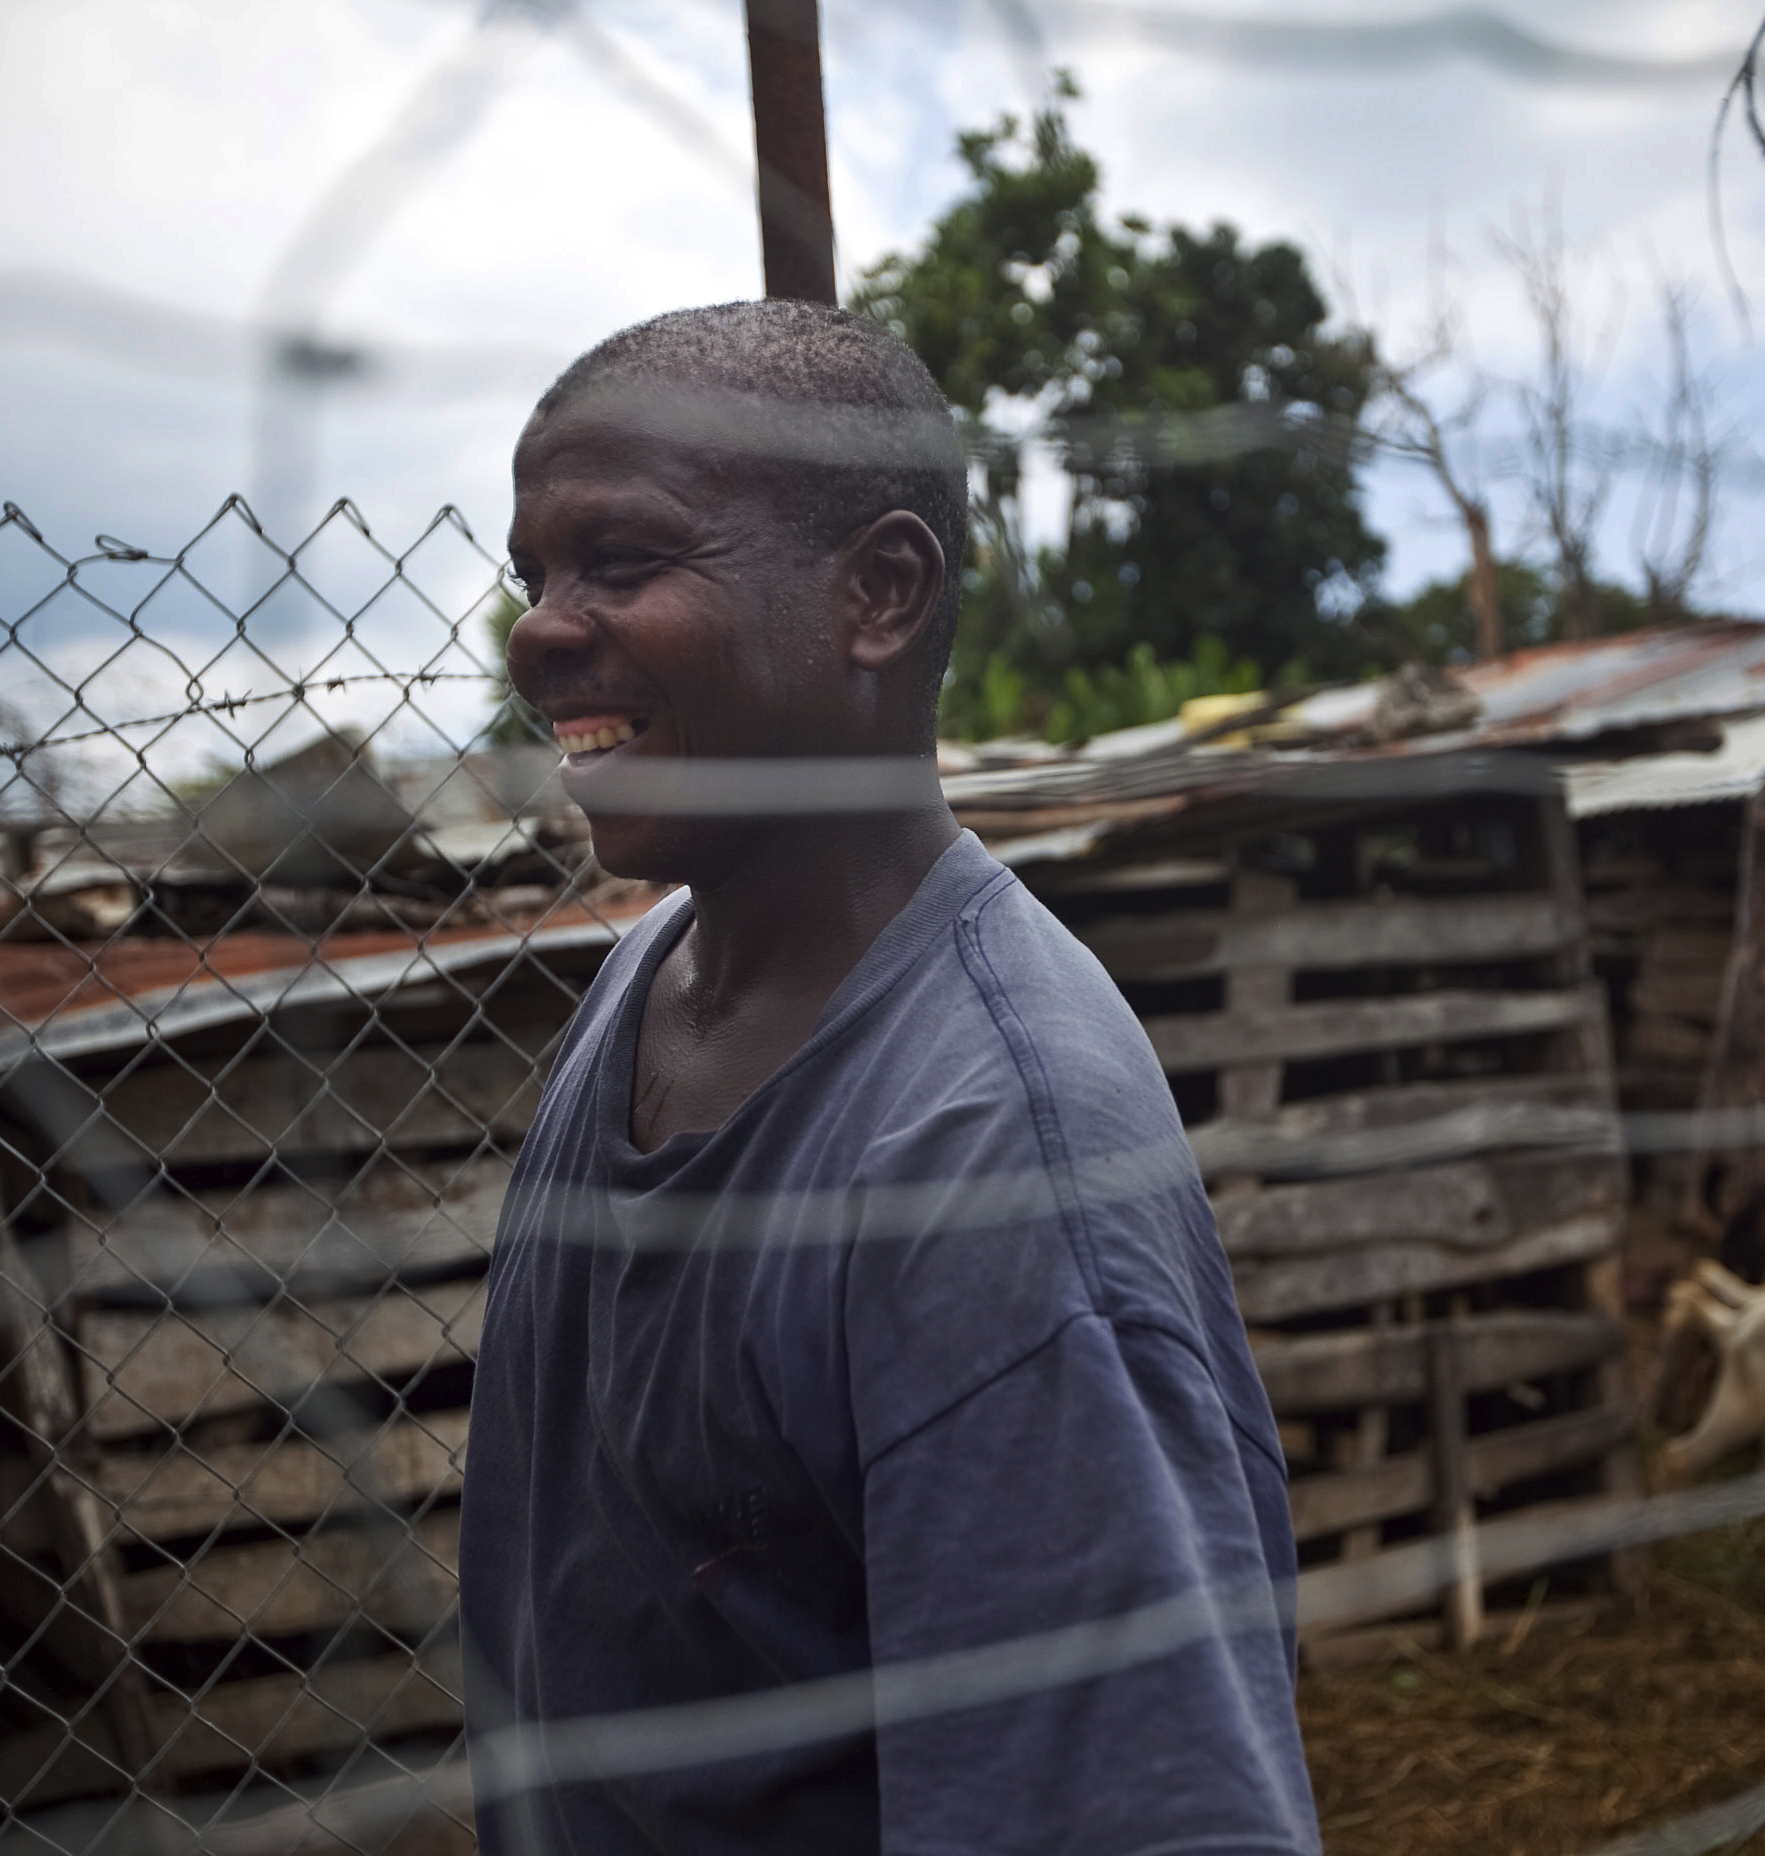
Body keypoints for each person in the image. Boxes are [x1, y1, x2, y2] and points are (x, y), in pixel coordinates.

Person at [458, 299, 1316, 1855]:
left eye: (623, 561)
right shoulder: (640, 985)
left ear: (880, 594)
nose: (539, 631)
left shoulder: (989, 1152)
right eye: (536, 575)